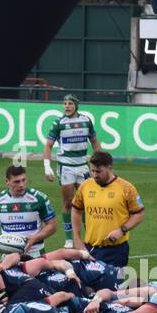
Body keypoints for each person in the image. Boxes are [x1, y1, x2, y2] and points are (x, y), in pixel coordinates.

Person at [43, 94, 101, 248]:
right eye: (64, 103)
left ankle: (89, 236)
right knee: (68, 202)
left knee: (87, 202)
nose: (66, 106)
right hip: (66, 167)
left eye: (70, 103)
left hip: (83, 166)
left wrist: (100, 160)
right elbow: (48, 145)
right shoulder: (59, 123)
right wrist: (47, 167)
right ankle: (69, 239)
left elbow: (94, 141)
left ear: (76, 105)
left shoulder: (86, 121)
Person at [70, 151, 144, 269]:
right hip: (90, 249)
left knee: (112, 286)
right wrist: (77, 239)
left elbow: (139, 214)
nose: (95, 175)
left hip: (116, 251)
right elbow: (76, 210)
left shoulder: (126, 188)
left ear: (109, 168)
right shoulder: (85, 186)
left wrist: (121, 230)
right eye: (92, 171)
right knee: (88, 287)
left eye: (98, 171)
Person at [0, 164, 57, 261]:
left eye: (23, 180)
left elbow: (52, 226)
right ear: (7, 181)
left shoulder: (39, 198)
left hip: (35, 255)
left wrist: (34, 239)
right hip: (8, 256)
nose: (21, 184)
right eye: (16, 181)